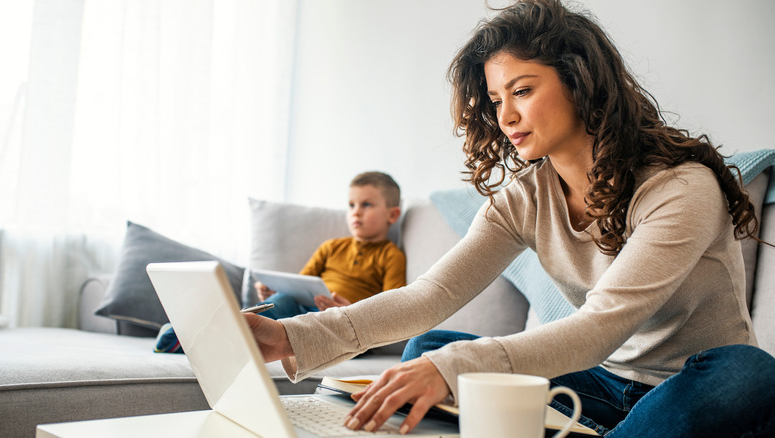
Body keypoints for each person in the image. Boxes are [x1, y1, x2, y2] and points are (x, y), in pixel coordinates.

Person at [244, 1, 775, 436]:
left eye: (522, 90)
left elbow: (600, 326)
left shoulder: (681, 189)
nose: (506, 116)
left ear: (580, 82)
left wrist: (451, 372)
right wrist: (291, 335)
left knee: (749, 375)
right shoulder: (525, 198)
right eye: (497, 99)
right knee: (431, 350)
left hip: (694, 385)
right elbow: (430, 296)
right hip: (602, 386)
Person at [255, 171, 406, 319]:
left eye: (366, 204)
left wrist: (351, 313)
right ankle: (250, 324)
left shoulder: (392, 256)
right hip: (302, 307)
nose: (356, 212)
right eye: (351, 205)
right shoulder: (331, 246)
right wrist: (273, 292)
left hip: (343, 320)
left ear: (392, 215)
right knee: (281, 300)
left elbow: (392, 309)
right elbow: (299, 284)